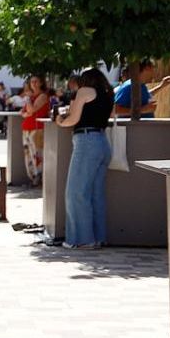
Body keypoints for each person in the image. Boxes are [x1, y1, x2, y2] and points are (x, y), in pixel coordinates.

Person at [55, 67, 115, 250]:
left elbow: (74, 118)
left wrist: (60, 120)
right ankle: (98, 238)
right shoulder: (108, 93)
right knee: (96, 195)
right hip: (103, 142)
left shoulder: (84, 91)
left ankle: (82, 240)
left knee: (76, 193)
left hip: (86, 142)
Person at [19, 75, 51, 185]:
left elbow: (31, 110)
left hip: (37, 128)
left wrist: (28, 103)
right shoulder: (31, 97)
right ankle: (33, 178)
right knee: (28, 154)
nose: (33, 84)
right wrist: (27, 111)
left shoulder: (42, 96)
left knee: (37, 154)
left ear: (41, 83)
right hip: (27, 127)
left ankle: (39, 177)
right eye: (32, 82)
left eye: (36, 81)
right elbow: (22, 113)